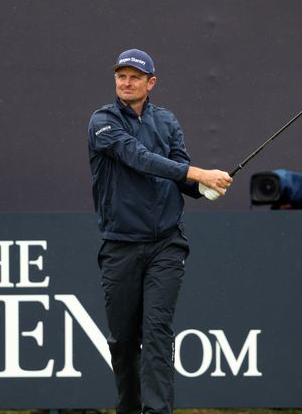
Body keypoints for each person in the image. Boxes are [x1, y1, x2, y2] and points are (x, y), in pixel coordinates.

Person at [87, 48, 232, 414]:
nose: (126, 81)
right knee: (123, 340)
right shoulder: (102, 122)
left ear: (151, 83)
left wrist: (205, 187)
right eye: (121, 75)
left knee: (157, 332)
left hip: (166, 245)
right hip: (120, 246)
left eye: (135, 76)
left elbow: (179, 175)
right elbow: (137, 157)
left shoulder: (167, 122)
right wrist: (197, 173)